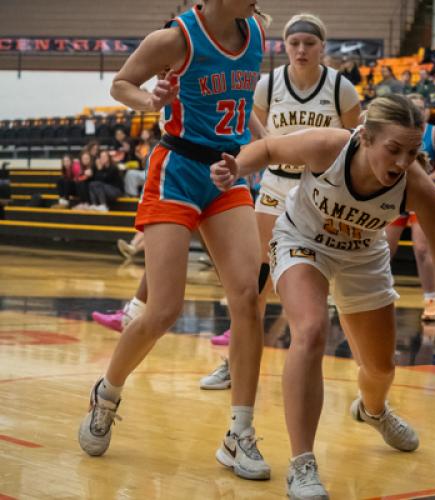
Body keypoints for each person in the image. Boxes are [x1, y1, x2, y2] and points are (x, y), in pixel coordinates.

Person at [210, 94, 435, 500]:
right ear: (365, 137)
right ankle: (303, 464)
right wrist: (237, 166)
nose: (403, 162)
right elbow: (272, 147)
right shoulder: (331, 146)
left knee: (381, 369)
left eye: (413, 152)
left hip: (363, 257)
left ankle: (374, 411)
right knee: (310, 331)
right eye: (394, 149)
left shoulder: (416, 184)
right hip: (301, 241)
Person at [78, 0, 272, 481]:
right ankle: (107, 391)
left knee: (248, 298)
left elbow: (242, 107)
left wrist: (268, 145)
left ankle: (239, 433)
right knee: (164, 308)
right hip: (177, 170)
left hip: (227, 172)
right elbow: (120, 83)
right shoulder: (176, 37)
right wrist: (151, 101)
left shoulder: (258, 37)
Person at [202, 12, 360, 380]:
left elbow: (355, 147)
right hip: (274, 186)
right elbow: (253, 135)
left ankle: (357, 371)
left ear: (322, 47)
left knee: (332, 285)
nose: (301, 50)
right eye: (294, 43)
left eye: (309, 43)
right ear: (284, 46)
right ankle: (234, 364)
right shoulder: (267, 86)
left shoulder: (342, 89)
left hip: (321, 192)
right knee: (254, 281)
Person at [385, 94, 435, 321]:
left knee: (422, 249)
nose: (417, 111)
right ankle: (381, 296)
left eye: (420, 108)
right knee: (384, 249)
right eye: (413, 108)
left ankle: (431, 299)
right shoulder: (395, 132)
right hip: (396, 195)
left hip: (420, 197)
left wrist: (425, 180)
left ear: (427, 111)